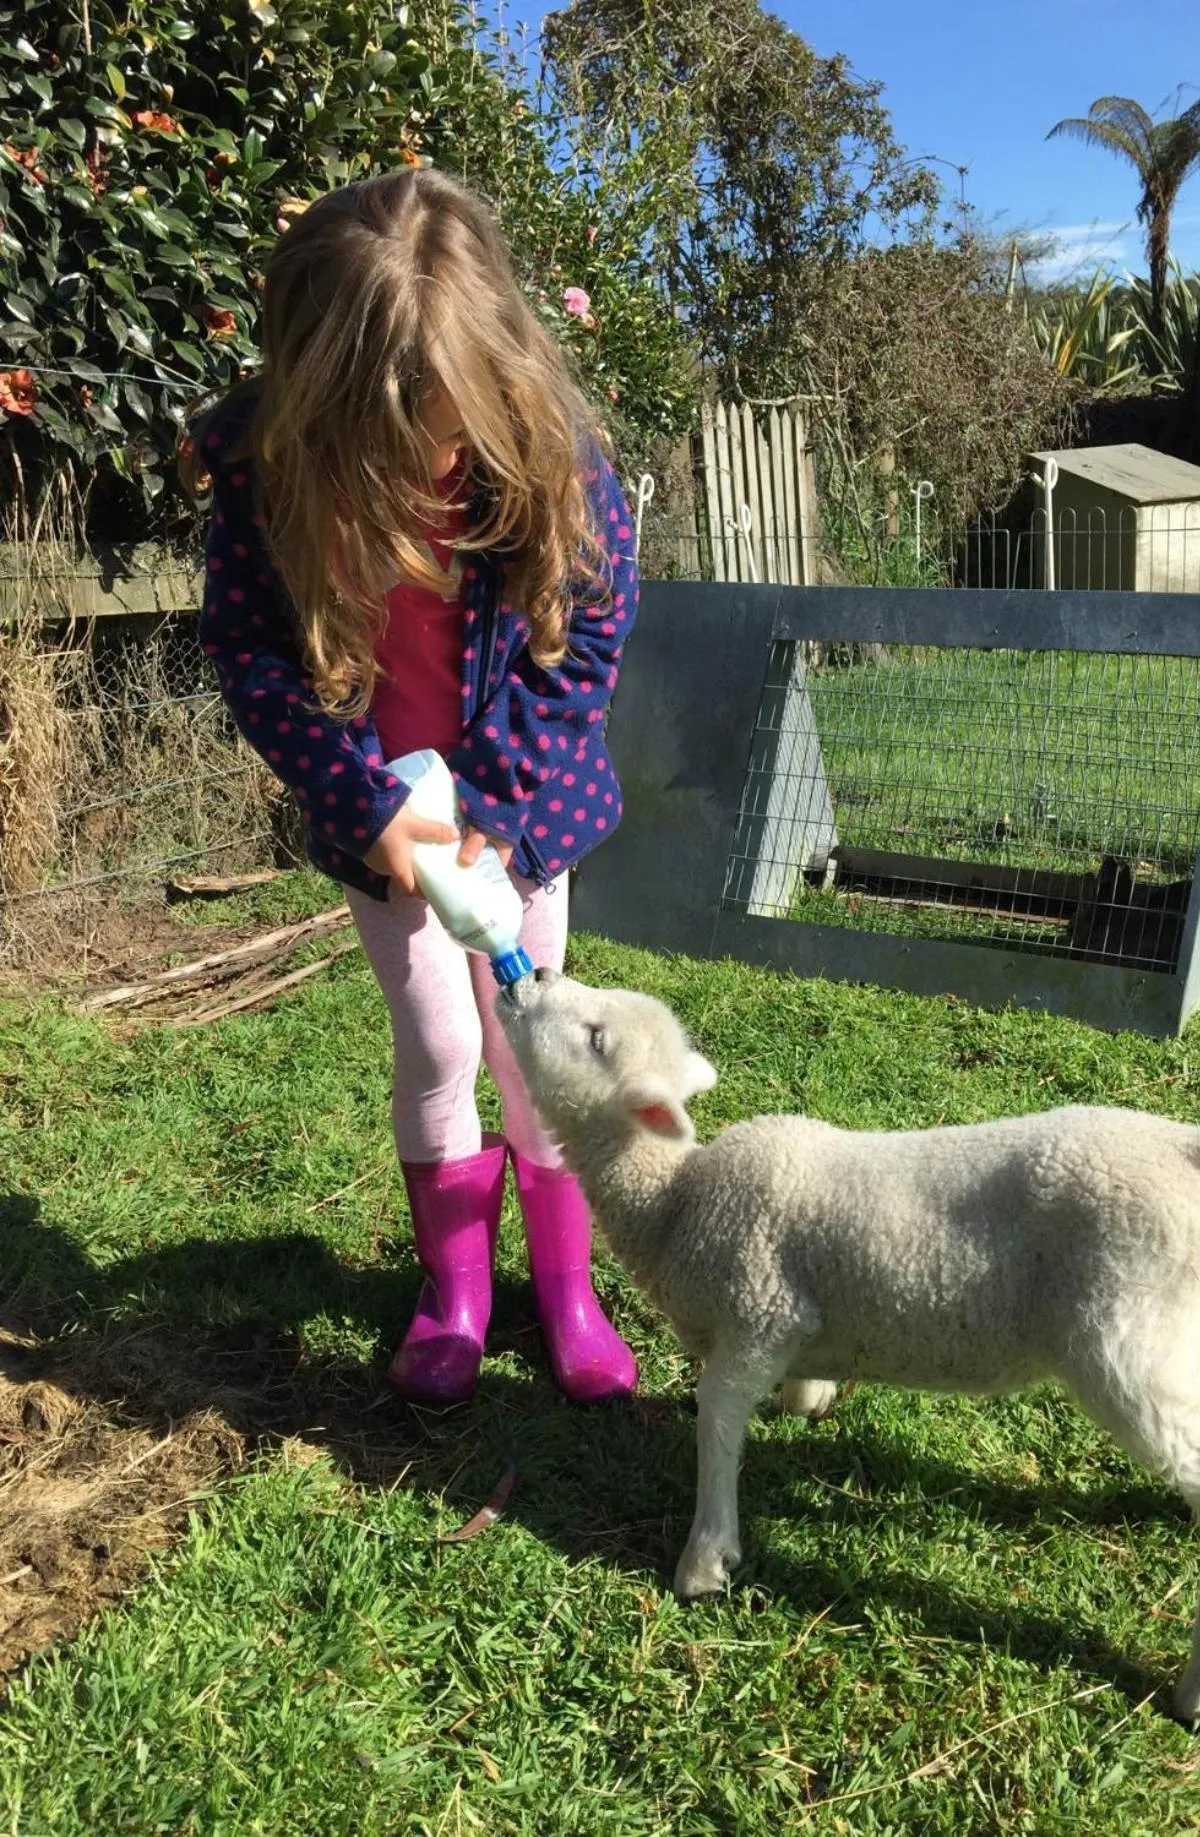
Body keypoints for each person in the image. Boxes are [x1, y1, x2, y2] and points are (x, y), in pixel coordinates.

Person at [188, 168, 639, 1407]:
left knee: (530, 1036)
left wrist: (492, 818)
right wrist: (369, 803)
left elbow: (588, 643)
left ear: (497, 374)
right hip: (379, 808)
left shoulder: (556, 458)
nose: (420, 465)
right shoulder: (262, 467)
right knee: (438, 1034)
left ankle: (567, 1286)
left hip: (519, 809)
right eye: (382, 444)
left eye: (439, 434)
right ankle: (455, 1293)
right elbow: (249, 651)